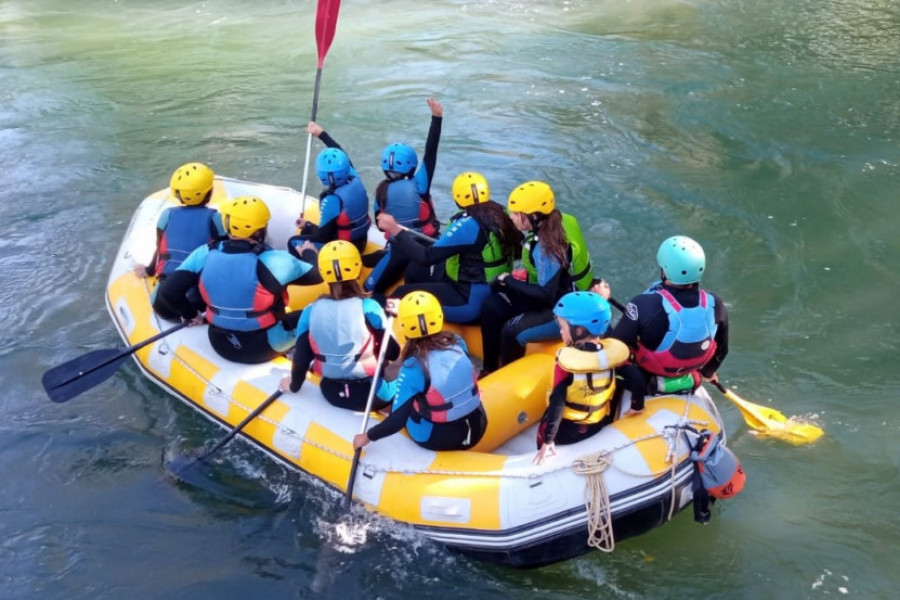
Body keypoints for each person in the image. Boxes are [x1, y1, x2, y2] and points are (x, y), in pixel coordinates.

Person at [156, 196, 322, 364]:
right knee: (315, 315)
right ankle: (306, 356)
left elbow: (168, 292)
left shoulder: (204, 253)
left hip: (220, 343)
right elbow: (317, 275)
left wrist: (191, 315)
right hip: (263, 347)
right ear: (259, 231)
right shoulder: (276, 261)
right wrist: (308, 253)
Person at [352, 291, 487, 452]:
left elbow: (397, 421)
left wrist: (367, 436)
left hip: (441, 437)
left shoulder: (414, 366)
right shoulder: (457, 341)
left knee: (406, 403)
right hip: (479, 423)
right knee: (425, 392)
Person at [378, 172, 520, 324]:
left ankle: (383, 329)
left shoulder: (468, 224)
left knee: (401, 293)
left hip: (469, 304)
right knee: (416, 270)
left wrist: (394, 229)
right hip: (494, 291)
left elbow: (426, 257)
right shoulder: (502, 213)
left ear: (457, 198)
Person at [278, 241, 396, 411]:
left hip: (331, 393)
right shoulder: (369, 307)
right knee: (404, 368)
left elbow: (302, 357)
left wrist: (294, 385)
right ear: (357, 268)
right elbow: (392, 352)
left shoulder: (310, 311)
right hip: (374, 396)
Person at [610, 235, 729, 402]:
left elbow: (615, 346)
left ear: (664, 270)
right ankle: (688, 379)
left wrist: (601, 299)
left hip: (646, 377)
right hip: (690, 375)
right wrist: (708, 372)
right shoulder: (716, 304)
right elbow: (722, 350)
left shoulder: (643, 303)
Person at [480, 181, 579, 375]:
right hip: (547, 296)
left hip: (559, 307)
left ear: (534, 216)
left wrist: (509, 280)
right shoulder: (547, 226)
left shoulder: (546, 246)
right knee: (492, 306)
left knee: (511, 330)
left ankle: (507, 379)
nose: (511, 216)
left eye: (517, 213)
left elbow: (546, 295)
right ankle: (489, 369)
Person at [534, 291, 643, 465]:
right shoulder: (611, 356)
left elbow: (557, 403)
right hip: (597, 424)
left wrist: (547, 440)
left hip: (566, 431)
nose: (560, 332)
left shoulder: (566, 364)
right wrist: (637, 405)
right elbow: (636, 378)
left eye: (562, 327)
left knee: (543, 430)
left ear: (579, 330)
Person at [364, 98, 443, 293]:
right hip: (425, 247)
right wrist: (437, 118)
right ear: (411, 164)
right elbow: (430, 153)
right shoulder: (420, 183)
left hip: (399, 249)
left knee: (369, 288)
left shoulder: (381, 191)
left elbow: (380, 223)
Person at [135, 163, 226, 320]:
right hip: (198, 302)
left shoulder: (167, 215)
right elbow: (225, 253)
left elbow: (160, 249)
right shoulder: (215, 219)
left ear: (178, 195)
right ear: (209, 192)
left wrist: (149, 271)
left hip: (163, 303)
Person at [291, 122, 371, 254]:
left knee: (293, 242)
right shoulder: (354, 179)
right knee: (306, 231)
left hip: (344, 249)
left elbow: (323, 236)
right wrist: (321, 134)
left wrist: (308, 225)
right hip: (361, 240)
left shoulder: (331, 200)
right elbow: (340, 152)